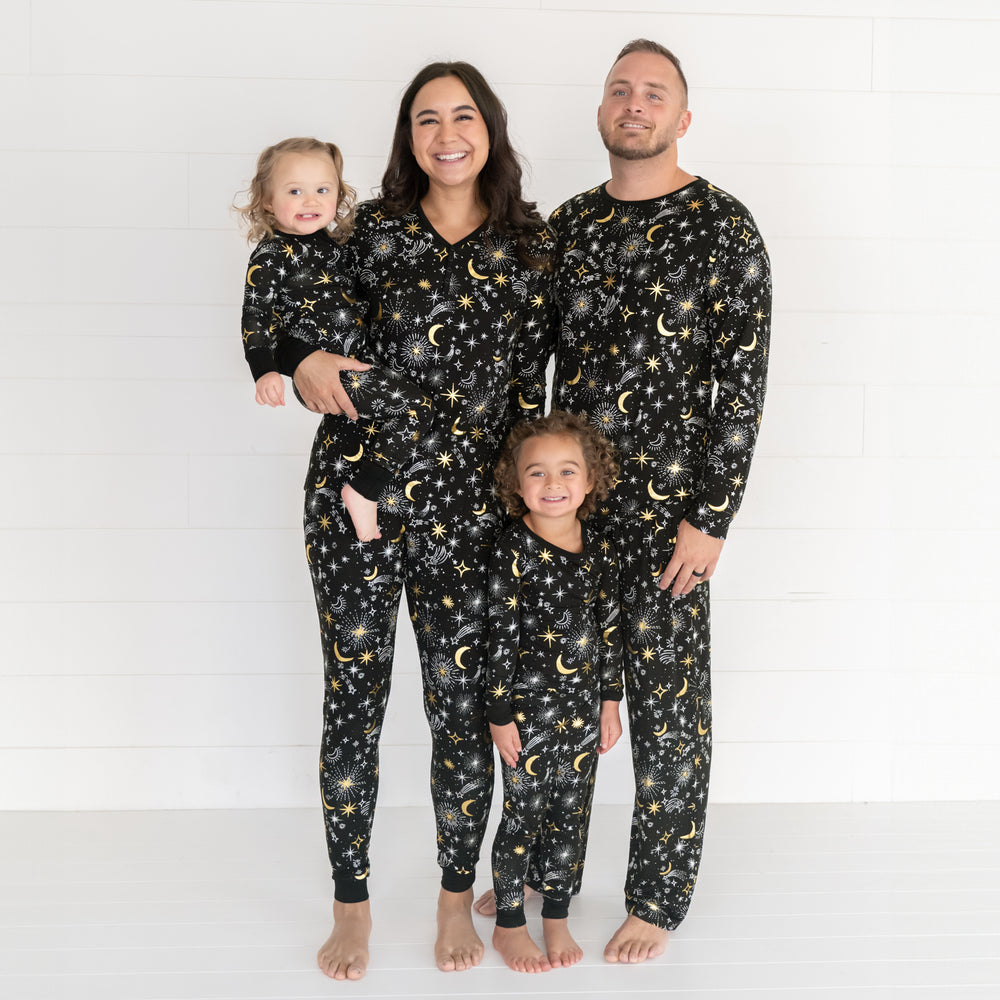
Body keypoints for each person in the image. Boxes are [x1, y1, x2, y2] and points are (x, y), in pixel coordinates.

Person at [272, 64, 557, 979]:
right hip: (355, 501)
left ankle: (450, 897)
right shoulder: (367, 233)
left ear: (490, 128)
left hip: (470, 518)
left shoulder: (532, 246)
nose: (446, 133)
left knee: (461, 713)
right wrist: (298, 352)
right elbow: (291, 296)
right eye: (425, 118)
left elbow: (536, 391)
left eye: (463, 115)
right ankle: (349, 903)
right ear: (407, 136)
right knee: (352, 706)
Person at [548, 39, 771, 963]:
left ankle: (657, 896)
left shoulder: (725, 227)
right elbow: (532, 374)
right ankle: (542, 873)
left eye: (653, 94)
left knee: (668, 713)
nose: (632, 105)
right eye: (618, 91)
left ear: (682, 118)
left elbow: (742, 386)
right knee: (557, 697)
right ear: (602, 110)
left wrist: (711, 519)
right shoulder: (564, 228)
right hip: (565, 513)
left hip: (671, 523)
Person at [236, 137, 433, 541]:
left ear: (339, 196)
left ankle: (367, 487)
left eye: (322, 190)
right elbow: (256, 316)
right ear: (268, 201)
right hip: (330, 375)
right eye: (294, 191)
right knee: (415, 409)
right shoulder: (272, 254)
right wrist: (266, 371)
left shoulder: (339, 247)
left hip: (357, 367)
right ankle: (363, 491)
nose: (310, 200)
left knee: (401, 413)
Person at [486, 411, 623, 973]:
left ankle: (556, 914)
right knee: (523, 813)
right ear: (516, 485)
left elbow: (609, 630)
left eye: (568, 472)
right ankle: (509, 922)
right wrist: (499, 716)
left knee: (571, 814)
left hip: (582, 714)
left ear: (590, 481)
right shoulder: (511, 549)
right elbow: (497, 635)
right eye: (536, 473)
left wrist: (610, 704)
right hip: (527, 714)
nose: (553, 484)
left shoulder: (602, 550)